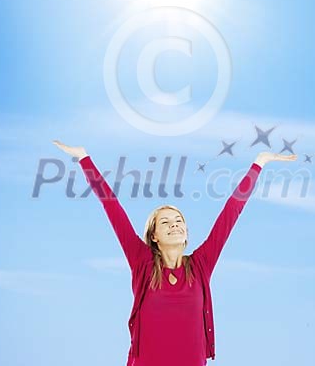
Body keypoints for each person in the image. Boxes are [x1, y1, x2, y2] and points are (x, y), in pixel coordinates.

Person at [53, 140, 297, 366]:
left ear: (186, 232)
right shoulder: (142, 263)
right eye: (165, 222)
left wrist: (259, 163)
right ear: (154, 236)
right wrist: (84, 158)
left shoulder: (201, 265)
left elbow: (231, 212)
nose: (174, 225)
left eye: (179, 220)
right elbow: (112, 206)